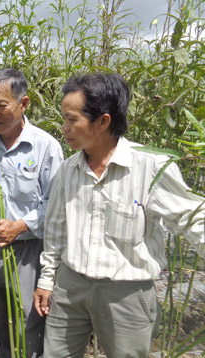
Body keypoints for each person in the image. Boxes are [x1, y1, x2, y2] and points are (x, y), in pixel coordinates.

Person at [33, 73, 205, 358]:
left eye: (72, 119)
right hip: (70, 288)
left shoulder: (151, 166)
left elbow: (192, 217)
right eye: (63, 118)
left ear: (103, 121)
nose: (64, 128)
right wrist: (47, 279)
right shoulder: (67, 171)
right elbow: (55, 232)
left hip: (126, 294)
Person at [0, 69, 63, 358]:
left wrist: (21, 225)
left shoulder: (46, 147)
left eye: (1, 106)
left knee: (28, 321)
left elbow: (55, 203)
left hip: (28, 249)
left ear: (23, 103)